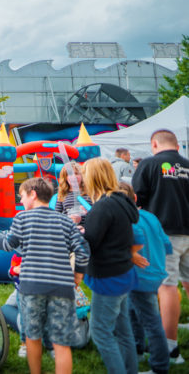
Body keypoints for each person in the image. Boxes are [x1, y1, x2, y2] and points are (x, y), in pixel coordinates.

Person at [0, 177, 90, 374]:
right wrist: (77, 276)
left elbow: (7, 244)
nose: (21, 201)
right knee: (61, 342)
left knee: (33, 337)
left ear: (33, 195)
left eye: (22, 196)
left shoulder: (22, 218)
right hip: (62, 287)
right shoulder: (65, 221)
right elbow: (83, 250)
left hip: (32, 288)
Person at [132, 129, 189, 364]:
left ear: (154, 144)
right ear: (176, 145)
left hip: (165, 234)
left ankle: (171, 349)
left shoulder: (149, 165)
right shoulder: (187, 164)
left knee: (167, 286)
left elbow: (136, 201)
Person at [81, 157, 140, 374]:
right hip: (123, 272)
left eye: (85, 175)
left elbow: (90, 243)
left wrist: (76, 235)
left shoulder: (103, 206)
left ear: (94, 177)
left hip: (108, 278)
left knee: (101, 333)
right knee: (124, 331)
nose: (83, 180)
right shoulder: (121, 201)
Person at [119, 181, 171, 374]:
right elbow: (167, 245)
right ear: (134, 198)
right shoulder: (150, 217)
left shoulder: (126, 221)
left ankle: (159, 366)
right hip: (155, 273)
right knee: (134, 311)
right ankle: (138, 348)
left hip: (140, 277)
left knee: (151, 321)